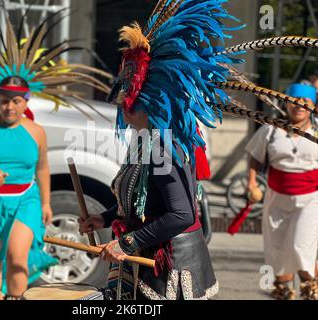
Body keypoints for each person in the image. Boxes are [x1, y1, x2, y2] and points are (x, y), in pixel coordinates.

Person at [78, 0, 244, 300]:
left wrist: (126, 244)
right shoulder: (145, 141)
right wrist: (103, 218)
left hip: (170, 269)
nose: (122, 112)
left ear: (151, 105)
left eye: (129, 104)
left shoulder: (164, 149)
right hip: (145, 262)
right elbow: (143, 202)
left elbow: (181, 214)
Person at [0, 15, 111, 299]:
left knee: (17, 258)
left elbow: (43, 168)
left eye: (15, 101)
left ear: (25, 101)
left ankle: (16, 298)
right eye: (4, 100)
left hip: (25, 199)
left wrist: (47, 202)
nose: (9, 107)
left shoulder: (36, 132)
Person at [245, 82, 318, 300]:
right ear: (286, 103)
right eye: (294, 101)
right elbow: (254, 156)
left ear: (313, 105)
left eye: (305, 102)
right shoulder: (270, 129)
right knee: (278, 249)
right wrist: (252, 184)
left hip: (310, 199)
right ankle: (284, 291)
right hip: (276, 198)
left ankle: (310, 288)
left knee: (300, 245)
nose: (299, 106)